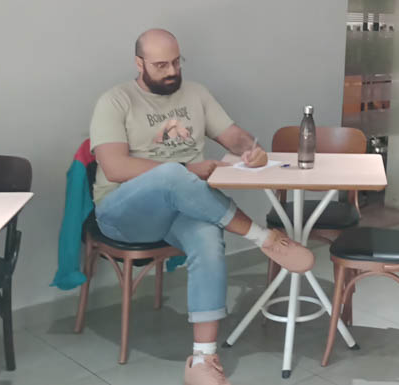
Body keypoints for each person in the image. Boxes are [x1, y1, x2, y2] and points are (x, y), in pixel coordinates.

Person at [90, 29, 314, 385]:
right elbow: (115, 167)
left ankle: (202, 359)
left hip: (180, 209)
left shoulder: (196, 94)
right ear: (139, 63)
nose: (171, 71)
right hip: (123, 212)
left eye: (176, 62)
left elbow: (233, 135)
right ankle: (263, 237)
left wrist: (250, 149)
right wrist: (187, 170)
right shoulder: (115, 101)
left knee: (209, 237)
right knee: (171, 175)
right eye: (161, 65)